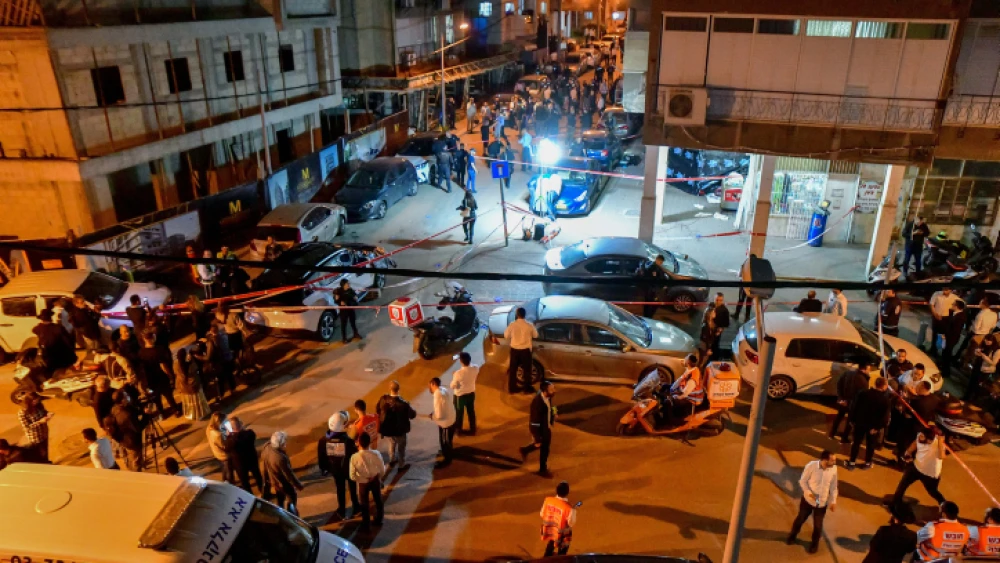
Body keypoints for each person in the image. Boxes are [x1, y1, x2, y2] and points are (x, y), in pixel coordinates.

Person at [787, 450, 838, 554]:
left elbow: (833, 486)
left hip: (822, 503)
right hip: (808, 501)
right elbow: (802, 481)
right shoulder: (811, 466)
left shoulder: (834, 469)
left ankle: (814, 544)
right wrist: (808, 492)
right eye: (832, 460)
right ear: (825, 460)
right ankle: (792, 536)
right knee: (800, 519)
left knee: (818, 526)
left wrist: (833, 501)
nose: (834, 463)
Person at [890, 426, 947, 513]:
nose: (920, 437)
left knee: (933, 492)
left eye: (922, 436)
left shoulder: (937, 444)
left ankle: (944, 505)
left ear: (929, 440)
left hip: (930, 474)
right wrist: (908, 452)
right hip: (916, 467)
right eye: (920, 435)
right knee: (903, 484)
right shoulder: (920, 436)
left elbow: (941, 456)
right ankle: (895, 502)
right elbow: (915, 443)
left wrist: (940, 441)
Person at [318, 411, 360, 519]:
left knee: (340, 489)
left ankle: (341, 509)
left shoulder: (323, 441)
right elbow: (355, 455)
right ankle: (356, 507)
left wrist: (324, 469)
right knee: (352, 488)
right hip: (349, 469)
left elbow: (322, 457)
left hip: (336, 470)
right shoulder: (348, 441)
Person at [847, 377, 892, 469]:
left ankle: (851, 462)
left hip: (860, 423)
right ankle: (867, 463)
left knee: (856, 443)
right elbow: (885, 417)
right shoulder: (885, 400)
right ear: (884, 386)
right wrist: (877, 427)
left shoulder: (862, 393)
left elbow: (853, 407)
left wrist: (851, 420)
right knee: (870, 445)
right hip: (873, 427)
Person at [349, 432, 386, 533]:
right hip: (374, 480)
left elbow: (352, 476)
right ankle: (379, 519)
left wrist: (362, 478)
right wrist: (377, 477)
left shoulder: (354, 457)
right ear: (369, 443)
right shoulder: (376, 454)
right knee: (378, 500)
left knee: (364, 503)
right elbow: (382, 470)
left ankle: (366, 524)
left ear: (359, 443)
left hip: (362, 483)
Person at [262, 431, 304, 515]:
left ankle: (280, 513)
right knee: (291, 497)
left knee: (280, 497)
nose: (286, 443)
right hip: (282, 482)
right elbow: (289, 474)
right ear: (280, 444)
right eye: (284, 442)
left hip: (274, 481)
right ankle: (292, 515)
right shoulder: (280, 458)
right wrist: (298, 484)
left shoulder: (267, 447)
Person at [520, 381, 557, 477]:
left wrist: (555, 413)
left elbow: (552, 406)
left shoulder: (547, 397)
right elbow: (534, 421)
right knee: (543, 447)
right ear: (545, 391)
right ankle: (542, 469)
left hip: (546, 427)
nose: (554, 391)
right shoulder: (537, 402)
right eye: (552, 389)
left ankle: (525, 450)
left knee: (543, 446)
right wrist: (536, 436)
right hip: (541, 429)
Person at [376, 381, 416, 468]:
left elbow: (378, 410)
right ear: (398, 389)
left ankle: (392, 459)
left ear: (390, 389)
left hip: (387, 430)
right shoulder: (403, 404)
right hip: (400, 431)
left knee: (391, 443)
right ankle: (401, 465)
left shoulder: (383, 399)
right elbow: (412, 415)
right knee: (401, 448)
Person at [138, 333, 179, 417]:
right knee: (168, 395)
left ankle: (161, 413)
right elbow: (163, 365)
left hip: (150, 379)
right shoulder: (159, 350)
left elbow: (141, 368)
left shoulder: (141, 352)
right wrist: (170, 375)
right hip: (161, 376)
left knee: (156, 398)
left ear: (144, 339)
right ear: (152, 338)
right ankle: (175, 410)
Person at [829, 359, 871, 442]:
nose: (869, 371)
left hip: (843, 401)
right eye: (869, 369)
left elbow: (839, 384)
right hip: (853, 404)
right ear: (864, 369)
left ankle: (832, 433)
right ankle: (844, 438)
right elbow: (862, 395)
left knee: (839, 417)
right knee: (850, 420)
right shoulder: (863, 380)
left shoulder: (848, 373)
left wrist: (841, 397)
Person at [107, 389, 145, 471]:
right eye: (126, 396)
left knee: (129, 459)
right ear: (122, 400)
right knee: (136, 462)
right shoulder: (126, 415)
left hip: (123, 440)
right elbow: (138, 428)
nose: (128, 397)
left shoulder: (115, 408)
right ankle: (136, 476)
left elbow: (133, 411)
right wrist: (146, 416)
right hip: (132, 442)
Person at [505, 307, 539, 393]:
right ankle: (527, 388)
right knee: (527, 370)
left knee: (513, 370)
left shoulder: (512, 325)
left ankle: (512, 388)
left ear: (517, 315)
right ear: (525, 315)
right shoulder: (529, 325)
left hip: (514, 350)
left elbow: (506, 336)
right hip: (525, 351)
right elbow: (536, 335)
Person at [540, 481, 578, 557]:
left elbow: (541, 514)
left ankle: (546, 558)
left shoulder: (548, 500)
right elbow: (571, 523)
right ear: (567, 492)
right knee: (563, 549)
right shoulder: (569, 508)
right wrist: (574, 510)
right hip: (562, 533)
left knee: (551, 543)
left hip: (551, 529)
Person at [228, 417, 263, 495]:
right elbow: (249, 435)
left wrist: (230, 435)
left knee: (245, 482)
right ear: (241, 424)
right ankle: (264, 492)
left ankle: (250, 497)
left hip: (239, 464)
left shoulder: (231, 440)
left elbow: (227, 447)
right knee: (258, 477)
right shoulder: (250, 434)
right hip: (252, 459)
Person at [173, 348, 210, 420]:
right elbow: (195, 369)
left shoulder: (176, 363)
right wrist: (192, 360)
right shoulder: (190, 364)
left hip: (183, 386)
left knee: (189, 402)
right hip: (193, 385)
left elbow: (175, 373)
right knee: (196, 401)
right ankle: (199, 414)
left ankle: (190, 414)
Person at [429, 377, 457, 468]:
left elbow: (440, 415)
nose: (429, 388)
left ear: (433, 384)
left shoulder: (437, 396)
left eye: (430, 386)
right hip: (452, 418)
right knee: (449, 439)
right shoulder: (443, 389)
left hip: (446, 423)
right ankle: (449, 452)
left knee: (445, 441)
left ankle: (447, 459)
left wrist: (432, 416)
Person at [960, 297, 997, 366]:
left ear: (983, 304)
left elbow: (976, 328)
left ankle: (963, 363)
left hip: (976, 334)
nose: (979, 304)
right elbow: (993, 326)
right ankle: (969, 363)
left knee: (969, 349)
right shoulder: (994, 314)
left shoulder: (981, 315)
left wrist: (973, 323)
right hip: (985, 335)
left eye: (980, 302)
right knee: (977, 350)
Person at [450, 352, 479, 435]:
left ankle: (459, 431)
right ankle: (473, 429)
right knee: (471, 412)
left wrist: (454, 375)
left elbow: (452, 385)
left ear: (461, 362)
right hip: (471, 394)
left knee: (459, 413)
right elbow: (472, 365)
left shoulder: (458, 373)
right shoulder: (475, 368)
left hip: (460, 396)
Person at [968, 333, 1000, 401]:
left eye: (988, 341)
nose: (986, 342)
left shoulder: (997, 350)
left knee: (978, 385)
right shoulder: (984, 344)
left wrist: (984, 357)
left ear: (993, 341)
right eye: (985, 340)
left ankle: (974, 399)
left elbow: (994, 363)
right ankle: (967, 396)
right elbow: (978, 351)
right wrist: (976, 352)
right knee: (971, 381)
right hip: (978, 365)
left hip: (985, 369)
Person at [929, 288, 960, 357]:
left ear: (950, 290)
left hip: (946, 319)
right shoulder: (936, 294)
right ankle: (933, 349)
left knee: (944, 335)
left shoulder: (954, 297)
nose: (944, 291)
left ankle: (943, 352)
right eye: (944, 289)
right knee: (934, 334)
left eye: (946, 290)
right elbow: (931, 304)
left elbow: (961, 305)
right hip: (936, 317)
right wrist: (935, 314)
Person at [940, 300, 967, 376]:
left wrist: (946, 336)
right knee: (945, 353)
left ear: (957, 307)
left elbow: (955, 330)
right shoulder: (955, 314)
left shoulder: (960, 317)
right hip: (949, 337)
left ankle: (946, 372)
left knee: (947, 354)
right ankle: (943, 366)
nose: (951, 305)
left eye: (953, 304)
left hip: (951, 338)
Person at [205, 412, 234, 482]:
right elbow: (224, 446)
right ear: (218, 422)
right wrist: (229, 436)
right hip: (224, 455)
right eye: (223, 421)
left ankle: (225, 480)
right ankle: (230, 484)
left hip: (217, 453)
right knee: (229, 470)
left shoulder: (209, 428)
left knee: (224, 469)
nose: (224, 422)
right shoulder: (218, 435)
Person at [334, 279, 361, 344]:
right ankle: (344, 338)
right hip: (343, 310)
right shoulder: (339, 291)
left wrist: (355, 297)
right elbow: (336, 300)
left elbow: (355, 296)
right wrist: (340, 302)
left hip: (350, 308)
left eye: (349, 283)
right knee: (343, 324)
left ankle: (355, 334)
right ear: (343, 285)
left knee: (353, 322)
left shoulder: (350, 290)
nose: (349, 285)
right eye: (347, 284)